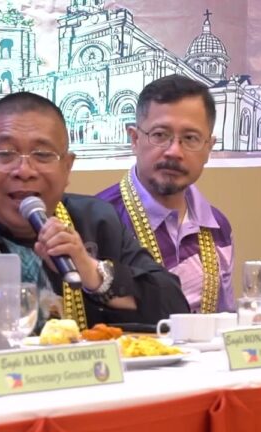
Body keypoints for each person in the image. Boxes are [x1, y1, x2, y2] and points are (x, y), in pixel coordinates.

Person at [0, 92, 189, 329]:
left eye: (43, 155)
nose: (24, 171)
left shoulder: (97, 221)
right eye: (5, 154)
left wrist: (92, 271)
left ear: (67, 167)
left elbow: (174, 308)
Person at [97, 75, 234, 313]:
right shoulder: (98, 221)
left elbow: (224, 319)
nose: (174, 152)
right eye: (160, 135)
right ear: (134, 139)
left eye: (190, 138)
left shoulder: (218, 226)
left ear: (208, 148)